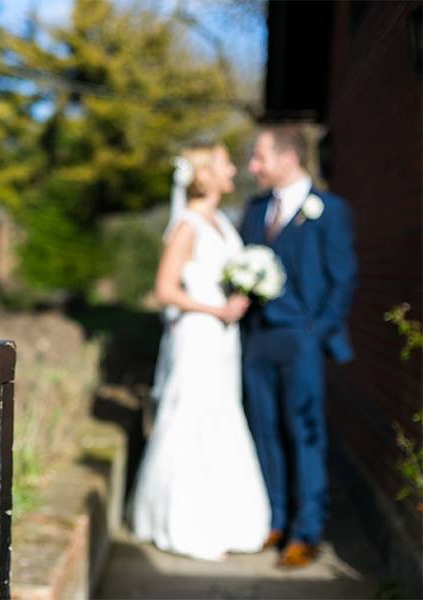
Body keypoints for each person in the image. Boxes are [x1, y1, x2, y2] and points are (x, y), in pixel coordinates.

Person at [130, 143, 271, 561]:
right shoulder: (187, 226)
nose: (233, 169)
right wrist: (216, 308)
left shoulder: (223, 223)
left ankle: (225, 518)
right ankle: (183, 520)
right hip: (198, 335)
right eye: (225, 163)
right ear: (205, 175)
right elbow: (165, 290)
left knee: (222, 414)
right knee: (191, 416)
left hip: (223, 337)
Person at [240, 126, 357, 568]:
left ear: (288, 159)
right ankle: (277, 518)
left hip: (302, 340)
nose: (253, 167)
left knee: (304, 433)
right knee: (265, 429)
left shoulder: (329, 210)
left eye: (259, 158)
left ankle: (307, 531)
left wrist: (317, 329)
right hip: (258, 340)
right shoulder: (254, 210)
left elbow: (343, 277)